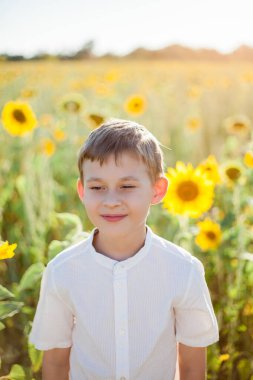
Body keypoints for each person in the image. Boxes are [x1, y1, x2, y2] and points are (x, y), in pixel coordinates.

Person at [29, 118, 219, 380]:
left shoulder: (183, 270)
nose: (111, 201)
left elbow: (191, 368)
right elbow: (56, 364)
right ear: (82, 191)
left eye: (127, 186)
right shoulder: (62, 271)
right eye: (98, 187)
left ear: (157, 190)